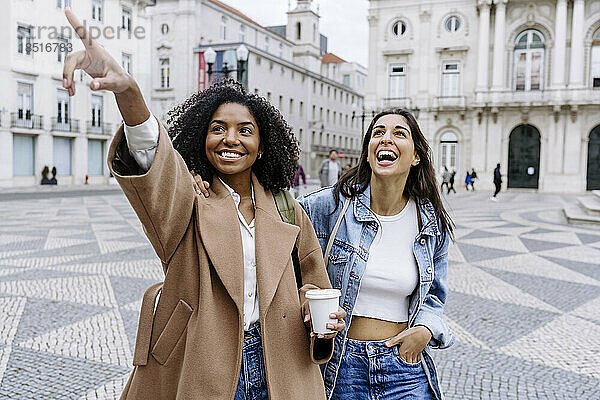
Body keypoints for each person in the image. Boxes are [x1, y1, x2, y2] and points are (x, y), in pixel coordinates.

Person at [61, 8, 345, 400]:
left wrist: (316, 311)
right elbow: (154, 162)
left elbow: (313, 280)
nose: (231, 139)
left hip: (279, 367)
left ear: (262, 147)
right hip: (199, 363)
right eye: (218, 129)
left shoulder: (286, 208)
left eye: (245, 131)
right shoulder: (187, 200)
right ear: (202, 139)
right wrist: (129, 93)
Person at [296, 109, 455, 399]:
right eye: (378, 133)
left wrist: (425, 330)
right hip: (340, 366)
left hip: (403, 366)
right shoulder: (327, 207)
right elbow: (274, 222)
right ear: (368, 153)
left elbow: (434, 295)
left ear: (416, 156)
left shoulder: (430, 223)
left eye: (399, 133)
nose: (386, 139)